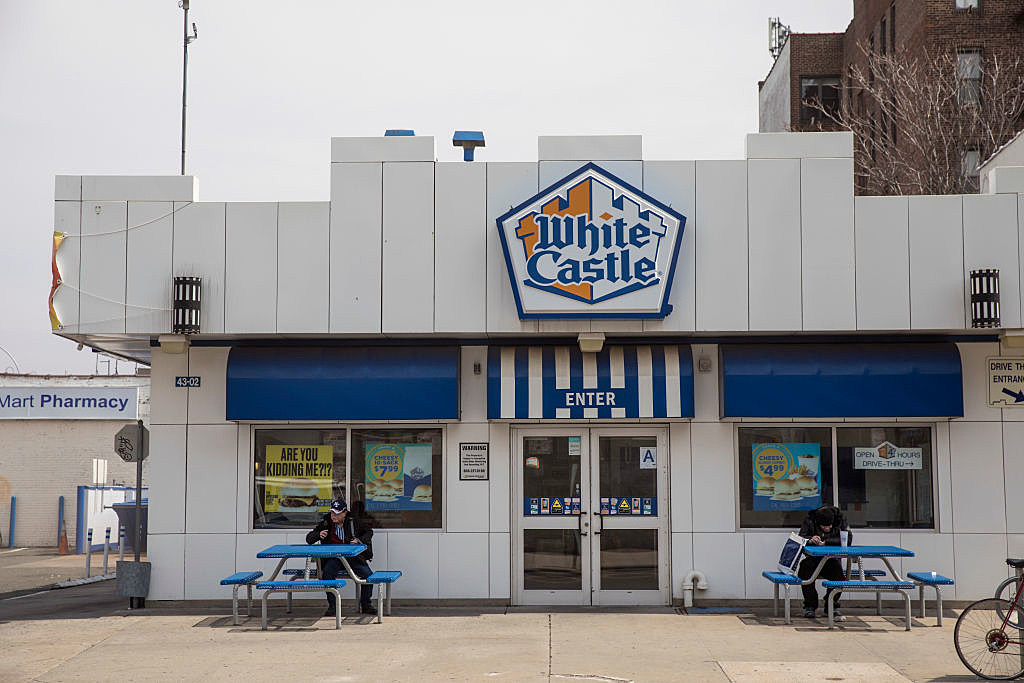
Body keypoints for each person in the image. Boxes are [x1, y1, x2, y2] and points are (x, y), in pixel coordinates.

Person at [306, 498, 375, 616]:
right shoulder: (326, 522)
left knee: (368, 576)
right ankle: (333, 606)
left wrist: (359, 540)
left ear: (345, 513)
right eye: (332, 512)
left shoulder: (353, 521)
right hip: (334, 558)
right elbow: (309, 538)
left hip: (353, 557)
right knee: (327, 573)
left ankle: (366, 605)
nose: (334, 516)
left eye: (337, 513)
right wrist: (318, 534)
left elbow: (369, 532)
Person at [796, 505, 851, 621]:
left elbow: (848, 539)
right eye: (825, 526)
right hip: (813, 558)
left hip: (832, 559)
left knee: (839, 576)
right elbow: (801, 538)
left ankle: (832, 604)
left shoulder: (840, 519)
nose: (828, 528)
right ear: (818, 523)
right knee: (804, 571)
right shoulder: (810, 520)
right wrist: (810, 540)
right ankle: (810, 605)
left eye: (830, 525)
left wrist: (827, 542)